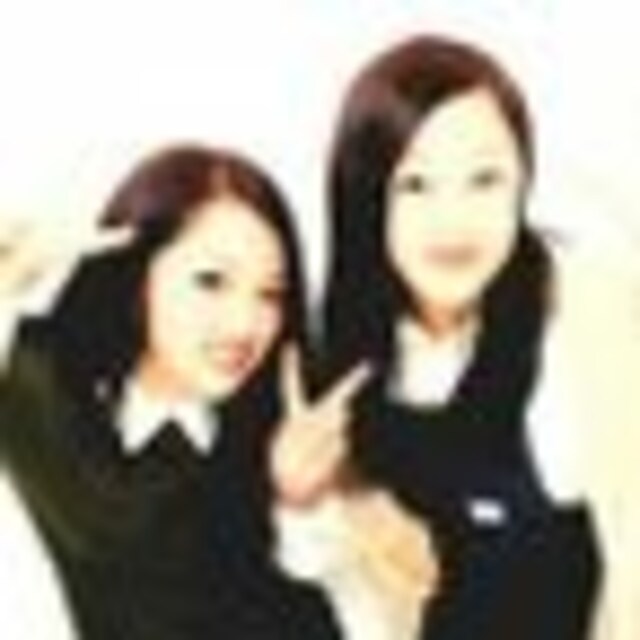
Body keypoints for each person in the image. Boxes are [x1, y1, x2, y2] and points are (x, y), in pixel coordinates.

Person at [274, 34, 640, 639]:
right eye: (416, 184)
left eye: (485, 178)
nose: (454, 218)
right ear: (368, 194)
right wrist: (302, 501)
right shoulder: (343, 361)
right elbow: (359, 597)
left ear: (523, 183)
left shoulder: (590, 317)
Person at [0, 144, 348, 639]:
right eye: (212, 281)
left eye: (270, 293)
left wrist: (300, 504)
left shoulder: (278, 435)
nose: (244, 323)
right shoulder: (41, 386)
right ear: (140, 271)